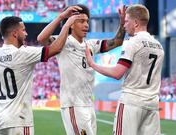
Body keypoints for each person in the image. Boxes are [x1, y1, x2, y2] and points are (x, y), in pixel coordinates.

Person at [0, 15, 84, 135]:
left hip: (0, 121)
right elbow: (56, 49)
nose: (26, 33)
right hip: (19, 120)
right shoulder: (23, 53)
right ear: (15, 33)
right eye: (23, 30)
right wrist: (66, 25)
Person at [37, 4, 126, 135]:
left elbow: (116, 42)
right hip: (74, 104)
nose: (86, 25)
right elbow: (41, 39)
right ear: (71, 24)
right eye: (81, 21)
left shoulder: (90, 45)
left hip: (89, 104)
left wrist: (122, 25)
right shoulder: (63, 43)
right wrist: (62, 18)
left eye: (87, 21)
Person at [85, 4, 165, 135]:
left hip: (132, 102)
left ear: (136, 23)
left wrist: (93, 64)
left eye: (126, 21)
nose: (124, 25)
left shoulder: (132, 42)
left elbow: (117, 73)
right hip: (152, 104)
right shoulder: (158, 46)